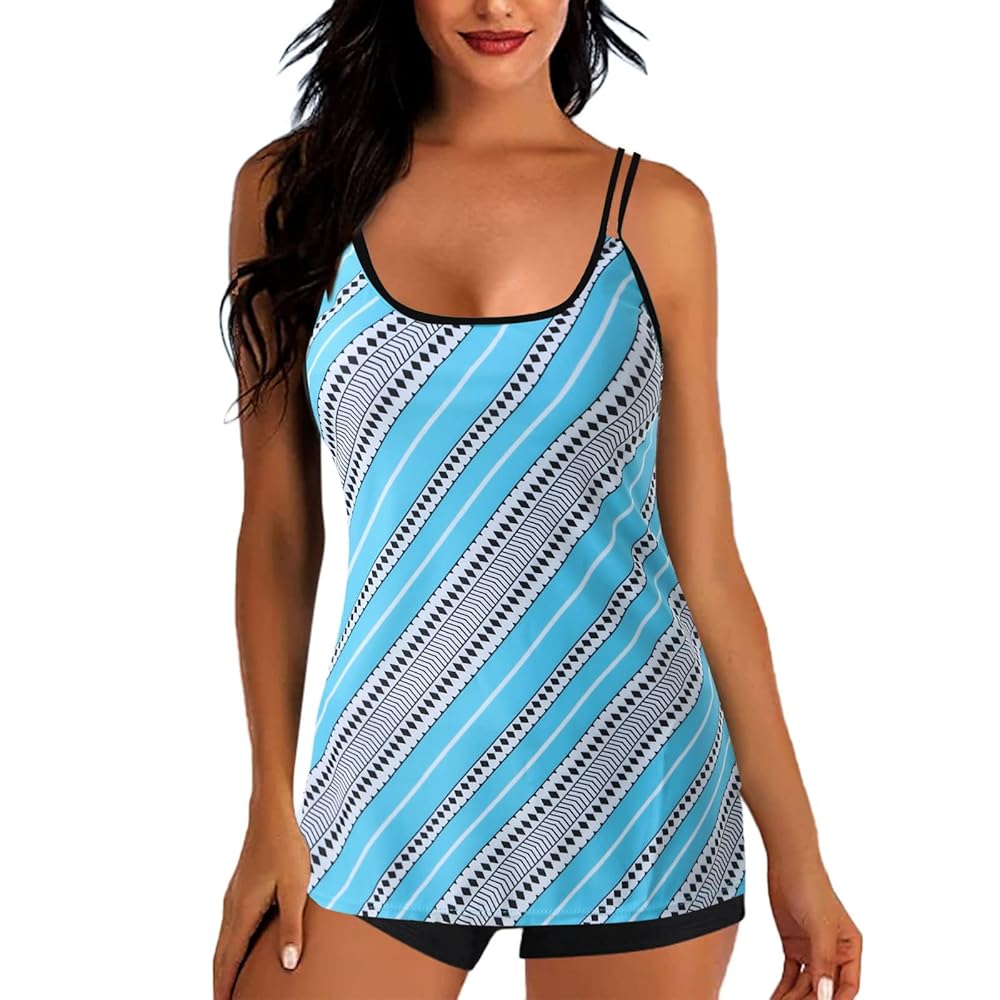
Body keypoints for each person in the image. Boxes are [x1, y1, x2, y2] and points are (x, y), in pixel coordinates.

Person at [214, 2, 862, 998]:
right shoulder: (292, 193)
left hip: (636, 771)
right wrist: (269, 805)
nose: (497, 6)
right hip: (393, 769)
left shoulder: (657, 215)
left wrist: (799, 853)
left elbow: (707, 560)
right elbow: (277, 528)